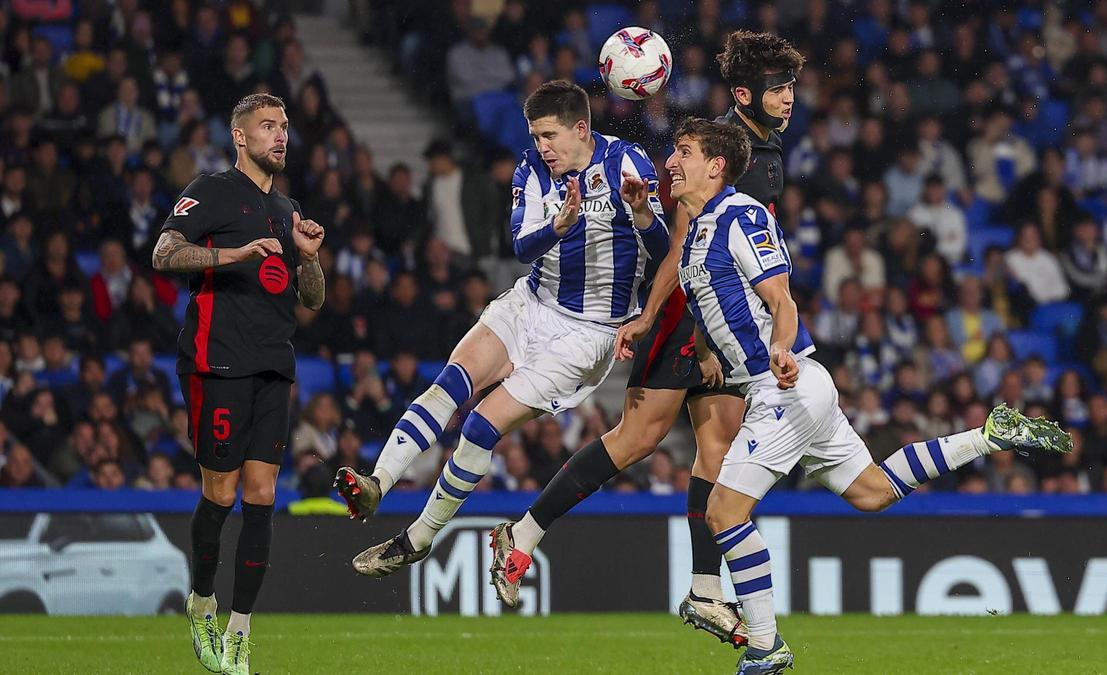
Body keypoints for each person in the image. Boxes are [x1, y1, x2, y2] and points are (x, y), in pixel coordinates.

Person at [675, 118, 1069, 673]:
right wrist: (707, 350)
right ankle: (988, 435)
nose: (672, 162)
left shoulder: (740, 216)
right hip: (795, 390)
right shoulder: (695, 233)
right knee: (872, 493)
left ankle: (764, 647)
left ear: (715, 165)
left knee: (723, 510)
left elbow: (781, 300)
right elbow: (712, 311)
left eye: (684, 152)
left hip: (784, 385)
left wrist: (781, 351)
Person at [488, 31, 804, 648]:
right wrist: (656, 315)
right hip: (691, 315)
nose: (789, 98)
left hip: (720, 317)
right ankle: (524, 534)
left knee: (717, 446)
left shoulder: (765, 151)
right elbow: (683, 241)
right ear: (746, 95)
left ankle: (705, 592)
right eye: (778, 88)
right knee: (637, 439)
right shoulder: (716, 150)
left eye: (791, 86)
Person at [333, 80, 669, 573]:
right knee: (450, 381)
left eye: (550, 136)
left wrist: (641, 212)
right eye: (536, 136)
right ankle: (377, 483)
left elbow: (664, 253)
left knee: (479, 425)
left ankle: (418, 539)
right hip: (531, 301)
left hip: (587, 332)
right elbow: (520, 248)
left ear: (581, 129)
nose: (542, 147)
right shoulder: (532, 169)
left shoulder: (628, 165)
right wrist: (557, 228)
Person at [151, 93, 326, 675]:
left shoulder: (287, 207)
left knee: (262, 495)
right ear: (241, 137)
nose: (279, 136)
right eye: (268, 127)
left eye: (283, 127)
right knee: (220, 495)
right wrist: (232, 253)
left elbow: (311, 300)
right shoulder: (213, 190)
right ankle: (202, 600)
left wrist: (308, 257)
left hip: (275, 363)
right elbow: (164, 253)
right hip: (217, 362)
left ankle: (240, 631)